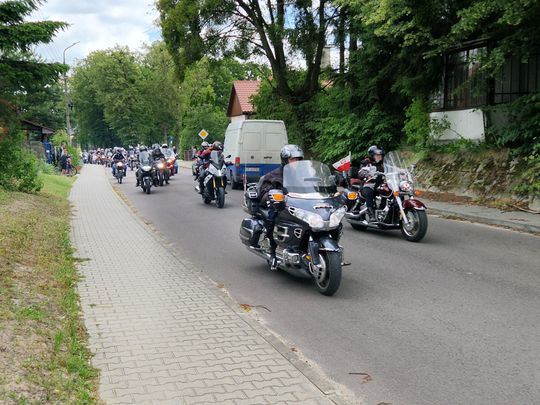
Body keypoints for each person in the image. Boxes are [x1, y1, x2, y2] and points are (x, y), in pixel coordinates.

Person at [256, 144, 304, 270]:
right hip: (281, 206)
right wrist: (274, 197)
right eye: (293, 159)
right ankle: (272, 251)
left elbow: (315, 186)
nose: (296, 162)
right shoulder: (274, 176)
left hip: (300, 205)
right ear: (285, 160)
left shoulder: (304, 174)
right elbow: (264, 193)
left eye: (298, 159)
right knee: (273, 216)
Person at [358, 145, 385, 222]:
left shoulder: (383, 164)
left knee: (390, 192)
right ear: (372, 155)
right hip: (368, 185)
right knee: (369, 192)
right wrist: (366, 174)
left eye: (380, 155)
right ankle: (371, 213)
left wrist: (402, 172)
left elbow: (392, 168)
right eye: (377, 155)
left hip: (380, 185)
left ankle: (387, 210)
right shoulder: (367, 163)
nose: (379, 157)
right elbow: (361, 171)